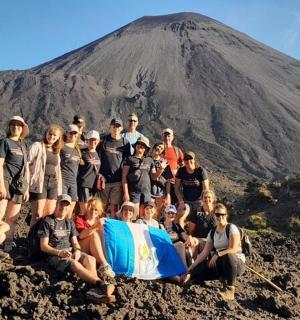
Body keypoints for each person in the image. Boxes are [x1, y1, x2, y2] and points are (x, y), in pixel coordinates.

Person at [39, 194, 115, 303]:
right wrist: (59, 252)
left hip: (69, 251)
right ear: (57, 204)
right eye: (62, 204)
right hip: (54, 254)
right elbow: (44, 246)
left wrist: (78, 250)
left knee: (91, 259)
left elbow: (75, 242)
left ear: (69, 207)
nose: (64, 208)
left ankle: (93, 291)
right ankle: (100, 284)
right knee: (74, 264)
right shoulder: (47, 221)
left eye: (66, 206)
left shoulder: (69, 223)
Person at [187, 203, 246, 301]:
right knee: (196, 272)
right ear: (213, 215)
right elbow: (204, 253)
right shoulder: (213, 232)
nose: (220, 217)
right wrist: (191, 268)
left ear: (226, 215)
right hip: (220, 263)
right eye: (217, 215)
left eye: (223, 214)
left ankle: (230, 289)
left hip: (235, 264)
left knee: (229, 255)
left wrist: (217, 254)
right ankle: (222, 278)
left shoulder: (231, 228)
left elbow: (233, 249)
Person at [0, 116, 30, 252]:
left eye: (19, 125)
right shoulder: (5, 142)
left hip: (18, 185)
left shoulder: (24, 146)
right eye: (13, 125)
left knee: (12, 218)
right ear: (10, 127)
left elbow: (27, 169)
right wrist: (1, 185)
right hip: (5, 181)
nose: (16, 127)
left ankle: (8, 243)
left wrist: (26, 189)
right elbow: (0, 165)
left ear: (22, 129)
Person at [29, 125, 63, 225]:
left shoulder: (56, 151)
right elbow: (28, 163)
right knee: (38, 213)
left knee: (49, 213)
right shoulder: (37, 146)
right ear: (46, 134)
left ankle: (43, 237)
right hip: (40, 182)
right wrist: (31, 177)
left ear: (58, 138)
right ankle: (32, 238)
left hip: (53, 183)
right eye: (50, 134)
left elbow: (57, 169)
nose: (51, 137)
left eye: (54, 135)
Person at [74, 197, 115, 278]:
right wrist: (95, 227)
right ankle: (104, 264)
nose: (93, 212)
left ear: (99, 211)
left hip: (95, 249)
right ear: (87, 208)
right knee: (94, 234)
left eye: (96, 209)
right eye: (91, 209)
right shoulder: (79, 218)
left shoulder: (100, 221)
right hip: (80, 247)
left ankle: (106, 263)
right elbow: (81, 236)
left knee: (103, 235)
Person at [98, 118, 131, 218]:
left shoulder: (125, 143)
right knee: (102, 207)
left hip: (117, 180)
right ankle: (101, 227)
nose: (116, 128)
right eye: (114, 126)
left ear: (121, 128)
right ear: (110, 127)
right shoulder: (103, 141)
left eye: (118, 126)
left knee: (114, 207)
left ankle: (111, 229)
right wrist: (99, 175)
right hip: (104, 179)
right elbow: (98, 158)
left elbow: (127, 161)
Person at [122, 136, 161, 219]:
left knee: (145, 217)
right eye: (139, 144)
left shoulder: (149, 160)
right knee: (134, 216)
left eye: (143, 145)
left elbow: (154, 177)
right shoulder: (129, 159)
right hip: (133, 192)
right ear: (135, 145)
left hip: (146, 193)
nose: (140, 146)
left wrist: (161, 169)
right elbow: (124, 177)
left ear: (146, 149)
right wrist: (126, 193)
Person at [162, 204, 198, 270]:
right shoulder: (160, 225)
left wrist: (189, 238)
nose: (170, 215)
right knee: (180, 244)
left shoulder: (176, 226)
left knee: (192, 242)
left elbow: (183, 235)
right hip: (167, 247)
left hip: (179, 247)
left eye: (172, 213)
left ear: (175, 215)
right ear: (165, 213)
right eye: (168, 213)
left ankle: (195, 268)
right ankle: (185, 269)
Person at [175, 151, 209, 215]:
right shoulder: (181, 171)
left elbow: (206, 189)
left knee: (199, 219)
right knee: (180, 215)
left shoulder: (201, 171)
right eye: (186, 159)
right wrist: (181, 201)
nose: (188, 161)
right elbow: (176, 188)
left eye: (190, 158)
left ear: (194, 160)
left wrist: (203, 203)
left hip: (199, 201)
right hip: (186, 201)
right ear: (184, 161)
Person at [60, 124, 82, 218]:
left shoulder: (78, 149)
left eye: (75, 133)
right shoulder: (61, 147)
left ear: (77, 135)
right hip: (63, 180)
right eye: (71, 133)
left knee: (70, 212)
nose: (73, 135)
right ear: (67, 133)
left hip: (73, 182)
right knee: (62, 209)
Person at [77, 130, 101, 214]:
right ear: (87, 141)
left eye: (95, 140)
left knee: (93, 211)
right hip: (84, 185)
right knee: (85, 211)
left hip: (94, 187)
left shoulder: (98, 153)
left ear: (98, 141)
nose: (93, 142)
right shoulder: (82, 153)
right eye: (91, 140)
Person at [150, 142, 173, 219]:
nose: (159, 148)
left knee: (157, 215)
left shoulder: (165, 162)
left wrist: (168, 195)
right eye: (158, 146)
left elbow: (168, 181)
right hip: (148, 192)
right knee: (148, 213)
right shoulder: (147, 159)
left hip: (160, 193)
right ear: (154, 147)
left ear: (162, 152)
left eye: (161, 148)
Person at [161, 128, 184, 204]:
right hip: (160, 183)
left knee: (173, 206)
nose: (167, 138)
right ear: (162, 137)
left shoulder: (177, 150)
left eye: (169, 136)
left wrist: (177, 172)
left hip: (174, 184)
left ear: (172, 137)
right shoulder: (158, 149)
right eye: (165, 135)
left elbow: (183, 166)